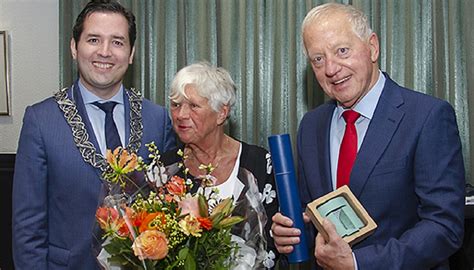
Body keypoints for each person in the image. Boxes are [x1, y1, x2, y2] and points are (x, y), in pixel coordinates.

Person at [271, 3, 465, 269]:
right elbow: (313, 217)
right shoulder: (311, 126)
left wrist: (358, 263)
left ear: (372, 47)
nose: (330, 68)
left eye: (342, 51)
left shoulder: (427, 117)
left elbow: (444, 227)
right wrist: (289, 235)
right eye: (318, 59)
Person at [12, 1, 175, 269]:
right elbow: (27, 228)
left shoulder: (157, 119)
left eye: (118, 42)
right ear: (74, 47)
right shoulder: (41, 121)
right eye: (94, 39)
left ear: (132, 53)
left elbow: (169, 209)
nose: (105, 52)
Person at [160, 62, 279, 269]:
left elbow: (274, 244)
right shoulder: (165, 167)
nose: (180, 115)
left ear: (222, 113)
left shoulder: (260, 163)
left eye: (193, 106)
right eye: (176, 104)